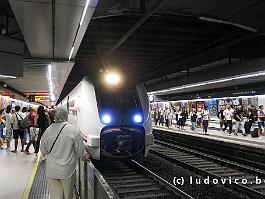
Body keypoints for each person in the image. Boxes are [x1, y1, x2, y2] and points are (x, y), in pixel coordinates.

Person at [40, 107, 90, 199]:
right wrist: (86, 156)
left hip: (52, 169)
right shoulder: (73, 130)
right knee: (67, 195)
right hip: (67, 170)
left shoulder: (48, 131)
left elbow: (43, 151)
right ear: (66, 115)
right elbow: (81, 151)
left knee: (56, 196)